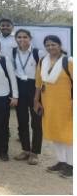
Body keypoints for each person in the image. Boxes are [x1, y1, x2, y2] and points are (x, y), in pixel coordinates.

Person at [34, 35, 73, 178]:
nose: (50, 48)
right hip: (48, 104)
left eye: (53, 45)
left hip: (66, 105)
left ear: (60, 45)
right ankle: (61, 162)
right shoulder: (42, 61)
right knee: (55, 133)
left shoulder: (69, 61)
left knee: (68, 135)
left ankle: (71, 165)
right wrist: (36, 100)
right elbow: (38, 83)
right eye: (48, 45)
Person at [12, 28, 44, 165]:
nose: (22, 39)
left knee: (36, 123)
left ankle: (35, 153)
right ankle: (25, 149)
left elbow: (42, 74)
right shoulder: (13, 52)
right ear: (16, 39)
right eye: (19, 37)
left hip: (34, 88)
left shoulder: (38, 53)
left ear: (30, 39)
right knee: (22, 121)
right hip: (20, 87)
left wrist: (38, 96)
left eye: (25, 37)